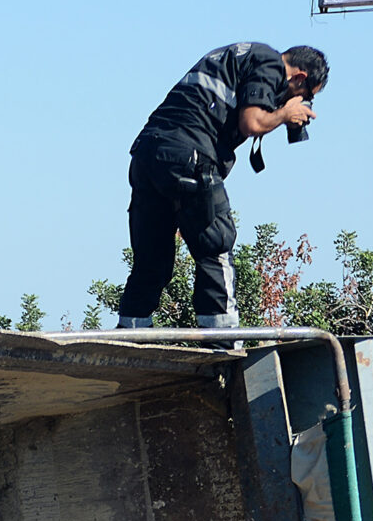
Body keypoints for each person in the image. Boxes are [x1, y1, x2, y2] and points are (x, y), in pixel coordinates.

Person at [116, 43, 328, 331]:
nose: (300, 102)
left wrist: (278, 110)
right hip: (190, 156)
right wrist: (284, 115)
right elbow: (252, 122)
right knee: (215, 246)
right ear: (300, 77)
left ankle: (131, 337)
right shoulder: (270, 64)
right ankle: (223, 342)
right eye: (306, 96)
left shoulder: (236, 57)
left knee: (151, 259)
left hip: (147, 155)